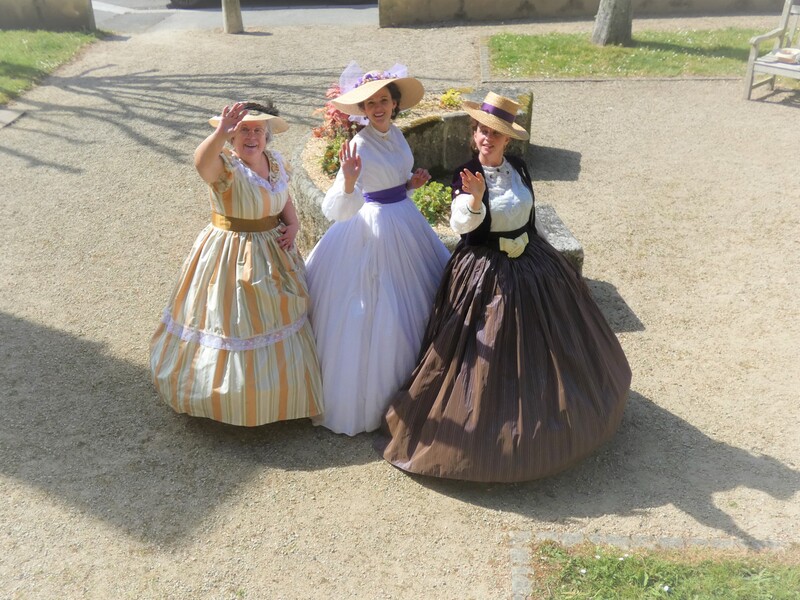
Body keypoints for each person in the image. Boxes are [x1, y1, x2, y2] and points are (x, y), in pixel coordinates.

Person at [375, 92, 632, 482]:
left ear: (507, 140)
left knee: (550, 342)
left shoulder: (520, 168)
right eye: (481, 130)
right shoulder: (467, 175)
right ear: (473, 133)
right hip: (486, 274)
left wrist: (545, 257)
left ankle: (554, 411)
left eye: (495, 133)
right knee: (487, 353)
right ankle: (491, 433)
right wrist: (475, 201)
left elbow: (528, 217)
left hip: (532, 265)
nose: (486, 138)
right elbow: (464, 227)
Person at [150, 101, 323, 426]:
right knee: (233, 321)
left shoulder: (274, 162)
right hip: (231, 254)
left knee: (277, 318)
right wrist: (220, 132)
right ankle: (226, 402)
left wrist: (294, 223)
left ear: (267, 136)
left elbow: (283, 196)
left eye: (258, 129)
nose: (252, 136)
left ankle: (278, 399)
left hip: (273, 252)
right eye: (243, 129)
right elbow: (201, 162)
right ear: (232, 136)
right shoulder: (226, 167)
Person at [305, 63, 451, 436]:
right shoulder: (357, 144)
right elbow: (335, 209)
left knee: (420, 298)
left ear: (394, 104)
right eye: (370, 103)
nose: (378, 107)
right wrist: (350, 182)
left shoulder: (398, 136)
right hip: (371, 229)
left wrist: (411, 185)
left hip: (404, 221)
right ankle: (375, 401)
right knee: (380, 309)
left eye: (383, 100)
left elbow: (395, 182)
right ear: (363, 110)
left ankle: (422, 387)